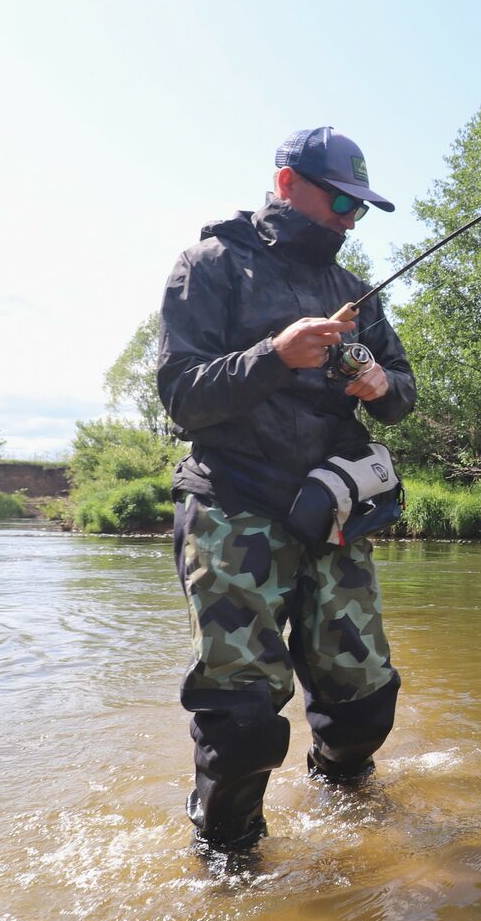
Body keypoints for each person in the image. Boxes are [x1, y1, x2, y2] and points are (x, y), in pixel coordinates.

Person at [157, 127, 416, 854]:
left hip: (333, 514)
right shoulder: (209, 266)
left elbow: (402, 393)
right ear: (285, 185)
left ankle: (345, 805)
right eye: (339, 199)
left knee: (365, 701)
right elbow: (181, 396)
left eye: (360, 208)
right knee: (242, 717)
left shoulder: (351, 293)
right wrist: (273, 356)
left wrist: (379, 384)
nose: (349, 218)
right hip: (234, 508)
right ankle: (229, 860)